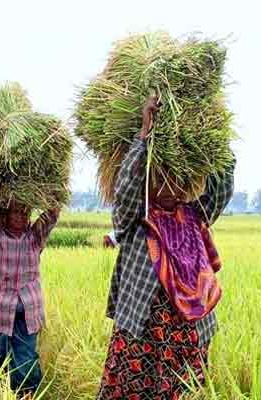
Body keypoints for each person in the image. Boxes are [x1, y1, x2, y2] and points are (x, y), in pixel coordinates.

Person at [97, 97, 234, 399]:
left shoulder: (195, 216)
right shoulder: (136, 220)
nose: (170, 188)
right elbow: (126, 190)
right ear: (150, 183)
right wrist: (144, 135)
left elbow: (222, 189)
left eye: (176, 180)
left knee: (181, 391)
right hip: (141, 327)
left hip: (185, 330)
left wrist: (216, 140)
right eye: (161, 179)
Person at [0, 197, 59, 398]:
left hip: (27, 313)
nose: (21, 216)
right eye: (16, 212)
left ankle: (24, 396)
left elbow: (53, 213)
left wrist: (53, 194)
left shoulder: (35, 236)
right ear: (6, 214)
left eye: (25, 212)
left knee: (25, 363)